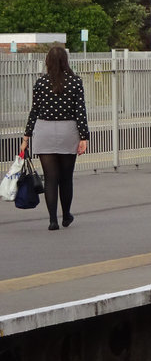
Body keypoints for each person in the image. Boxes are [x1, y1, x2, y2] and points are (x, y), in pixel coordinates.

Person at [21, 45, 89, 231]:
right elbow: (80, 111)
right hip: (69, 130)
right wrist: (84, 137)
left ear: (48, 62)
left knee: (51, 179)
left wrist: (26, 136)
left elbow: (34, 111)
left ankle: (53, 220)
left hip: (44, 130)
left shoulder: (41, 82)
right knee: (66, 178)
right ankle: (66, 215)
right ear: (65, 61)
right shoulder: (75, 82)